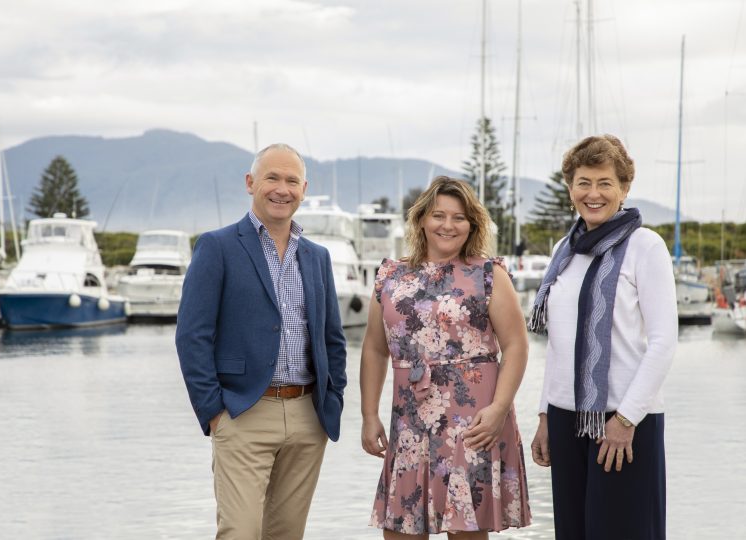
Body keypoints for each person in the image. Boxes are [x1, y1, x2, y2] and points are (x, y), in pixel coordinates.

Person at [175, 143, 347, 539]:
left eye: (291, 180)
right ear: (251, 183)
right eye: (272, 177)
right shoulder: (217, 246)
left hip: (308, 415)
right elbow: (192, 336)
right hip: (242, 413)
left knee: (287, 534)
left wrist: (332, 398)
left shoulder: (317, 256)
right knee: (240, 531)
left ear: (304, 189)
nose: (281, 189)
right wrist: (214, 411)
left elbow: (332, 338)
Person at [361, 176, 532, 539]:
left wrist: (500, 408)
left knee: (466, 530)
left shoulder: (489, 275)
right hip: (409, 421)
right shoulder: (390, 276)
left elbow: (516, 345)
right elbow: (375, 349)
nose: (448, 225)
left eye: (459, 218)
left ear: (472, 224)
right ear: (422, 219)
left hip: (474, 420)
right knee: (401, 530)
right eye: (439, 215)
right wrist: (368, 414)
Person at [528, 134, 678, 540]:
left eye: (605, 183)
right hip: (565, 417)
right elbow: (559, 345)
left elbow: (664, 342)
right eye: (583, 182)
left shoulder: (645, 247)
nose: (593, 194)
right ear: (570, 187)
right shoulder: (565, 249)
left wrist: (626, 419)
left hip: (623, 419)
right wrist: (544, 416)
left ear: (624, 188)